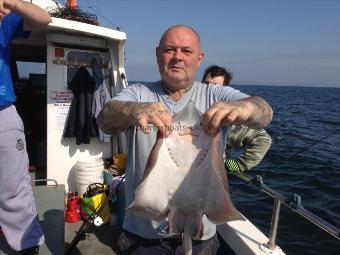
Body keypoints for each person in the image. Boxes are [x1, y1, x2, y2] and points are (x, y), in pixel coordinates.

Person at [97, 25, 273, 254]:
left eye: (186, 51)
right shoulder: (138, 93)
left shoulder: (216, 95)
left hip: (201, 235)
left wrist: (246, 107)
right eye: (170, 50)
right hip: (143, 234)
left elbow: (264, 113)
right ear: (158, 54)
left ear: (199, 59)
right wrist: (131, 109)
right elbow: (104, 119)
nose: (178, 57)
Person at [0, 1, 51, 254]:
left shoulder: (3, 22)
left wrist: (12, 4)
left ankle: (26, 246)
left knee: (13, 187)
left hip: (3, 115)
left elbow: (43, 20)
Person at [202, 65, 272, 173]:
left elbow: (263, 139)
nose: (209, 89)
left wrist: (236, 165)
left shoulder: (229, 123)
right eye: (206, 84)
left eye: (216, 86)